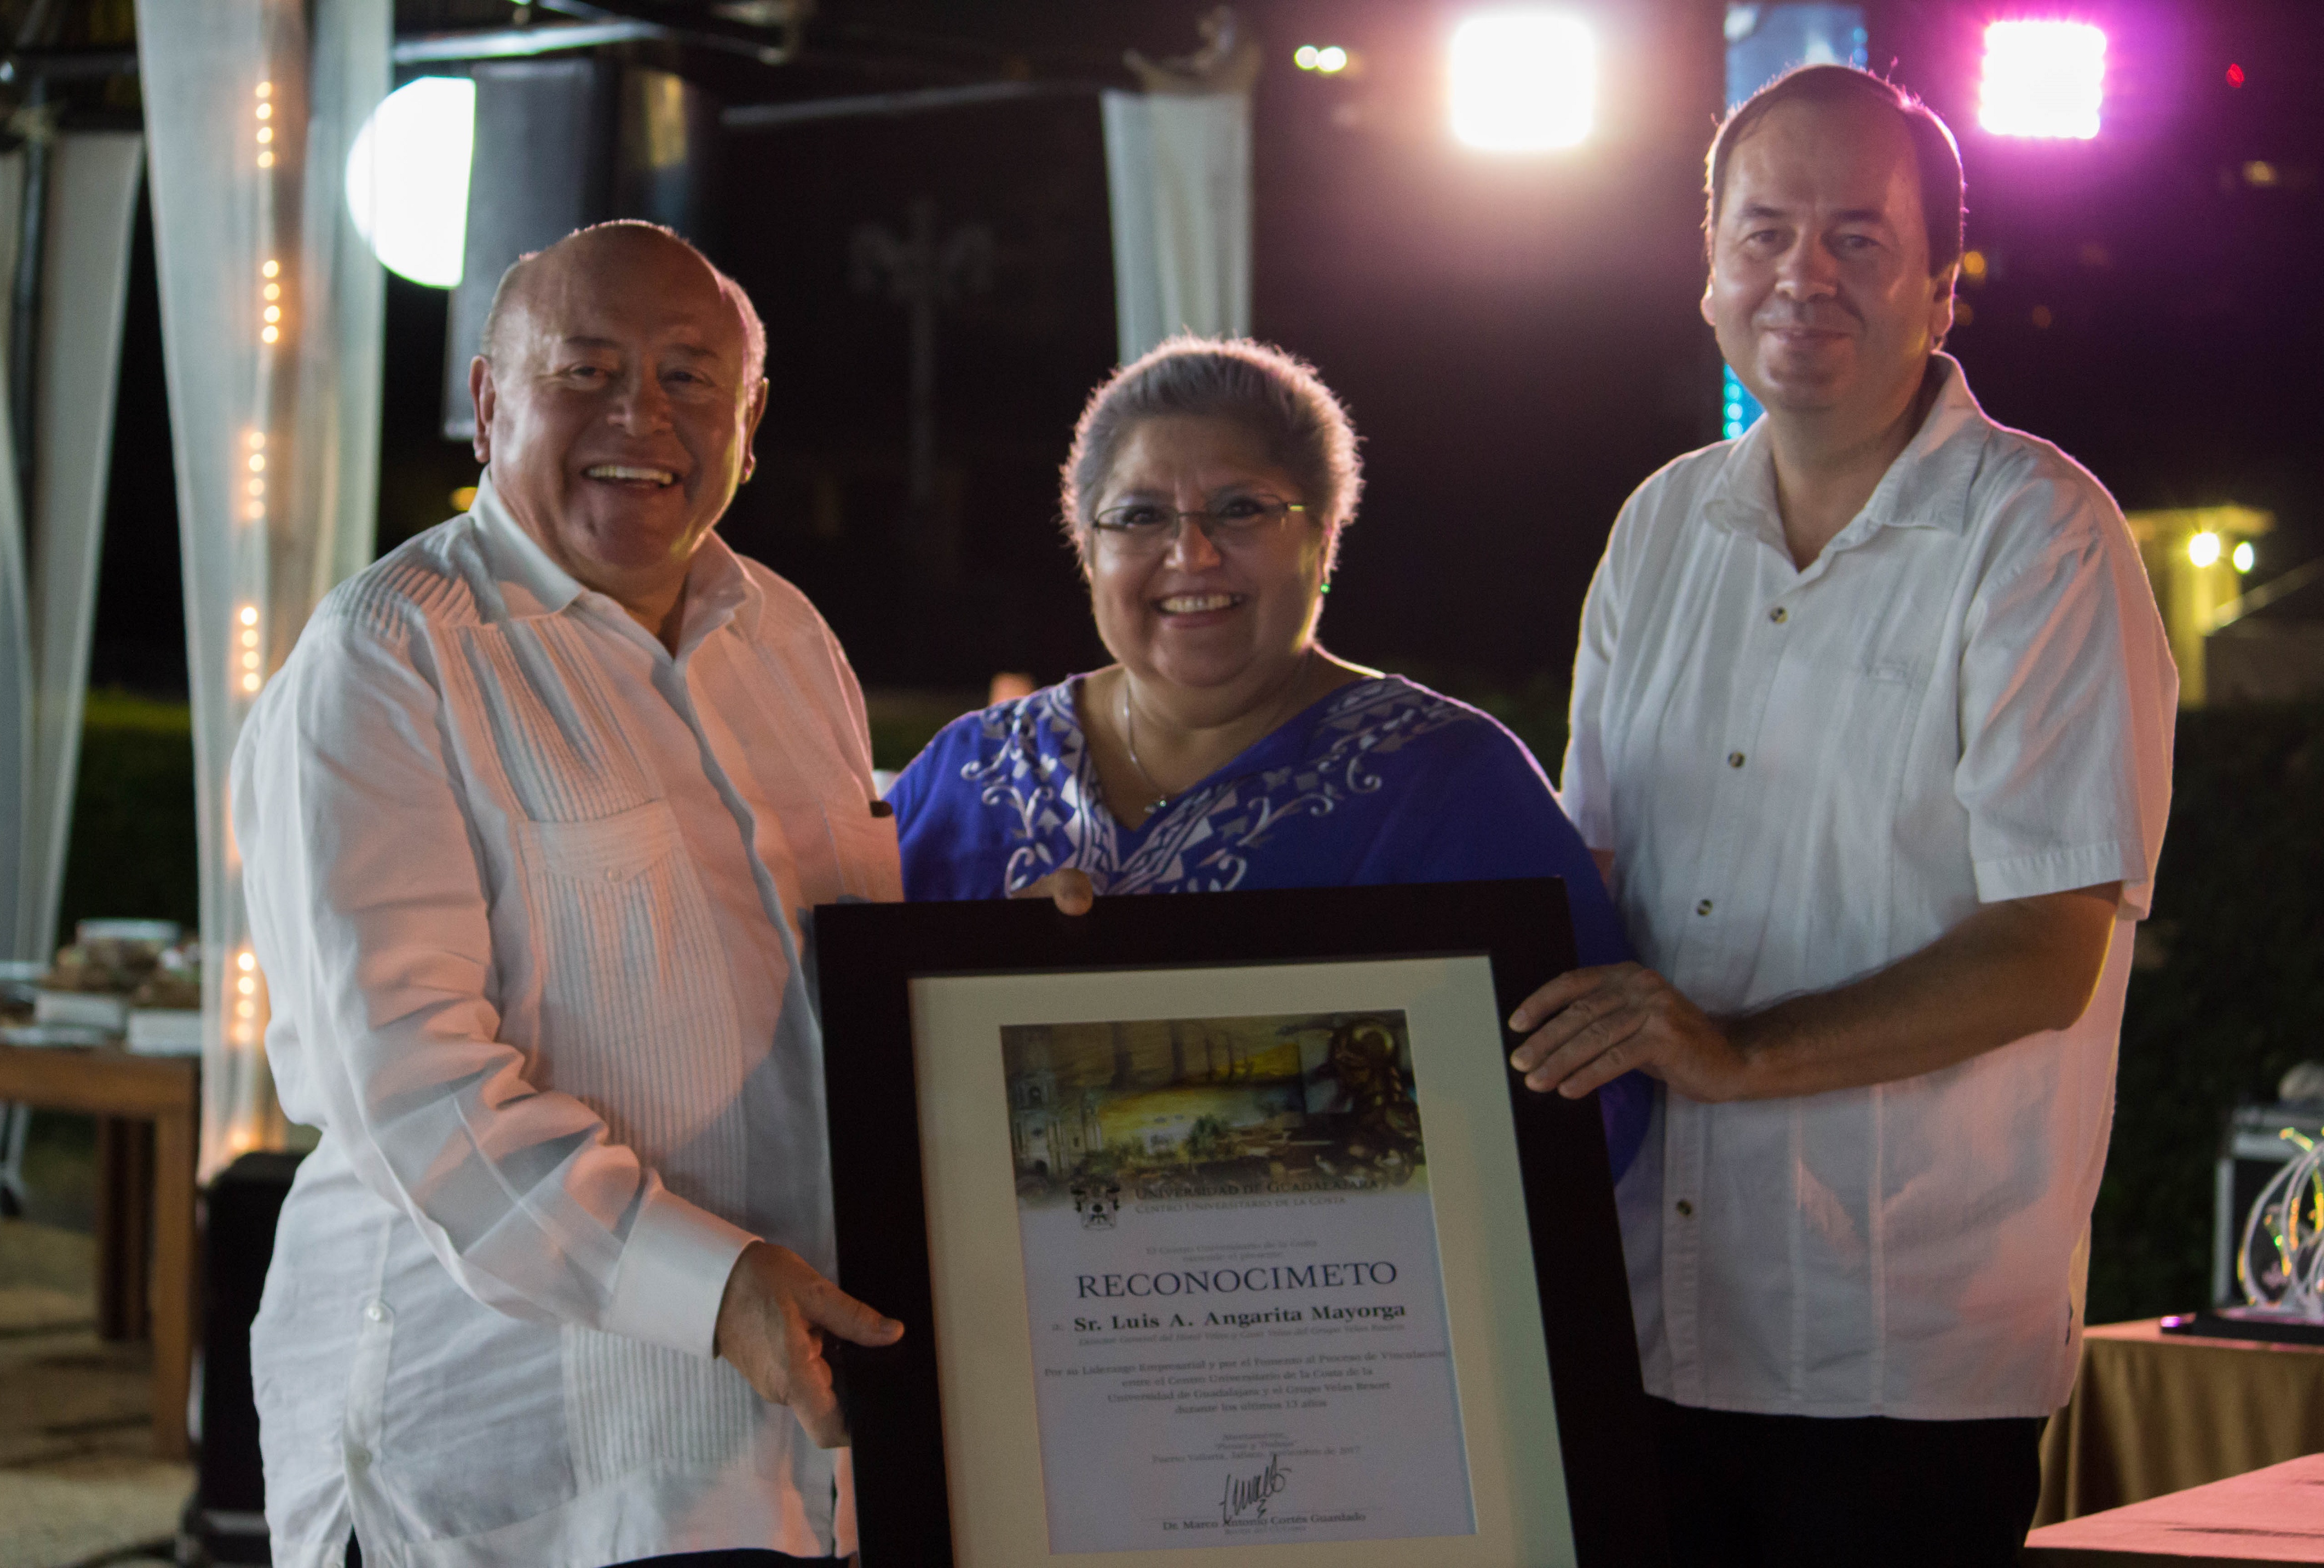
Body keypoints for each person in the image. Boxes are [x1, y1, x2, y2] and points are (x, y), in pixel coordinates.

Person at [1506, 66, 2175, 1564]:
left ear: (1944, 287)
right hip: (1643, 1319)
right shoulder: (1659, 526)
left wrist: (1733, 1054)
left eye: (1857, 240)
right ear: (1707, 275)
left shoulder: (2038, 537)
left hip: (1899, 1354)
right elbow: (1589, 882)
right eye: (1763, 234)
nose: (1802, 275)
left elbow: (2044, 949)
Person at [233, 221, 902, 1567]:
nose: (638, 415)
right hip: (523, 1467)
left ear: (750, 419)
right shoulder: (389, 657)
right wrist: (711, 1294)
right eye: (585, 370)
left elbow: (851, 984)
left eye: (687, 378)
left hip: (781, 1466)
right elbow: (416, 1093)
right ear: (488, 402)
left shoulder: (787, 637)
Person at [889, 335, 1649, 1177]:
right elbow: (845, 1068)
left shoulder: (1446, 779)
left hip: (1353, 1299)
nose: (1191, 555)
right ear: (1087, 549)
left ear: (1323, 540)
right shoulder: (973, 775)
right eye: (1139, 516)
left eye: (1241, 509)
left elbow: (1593, 1102)